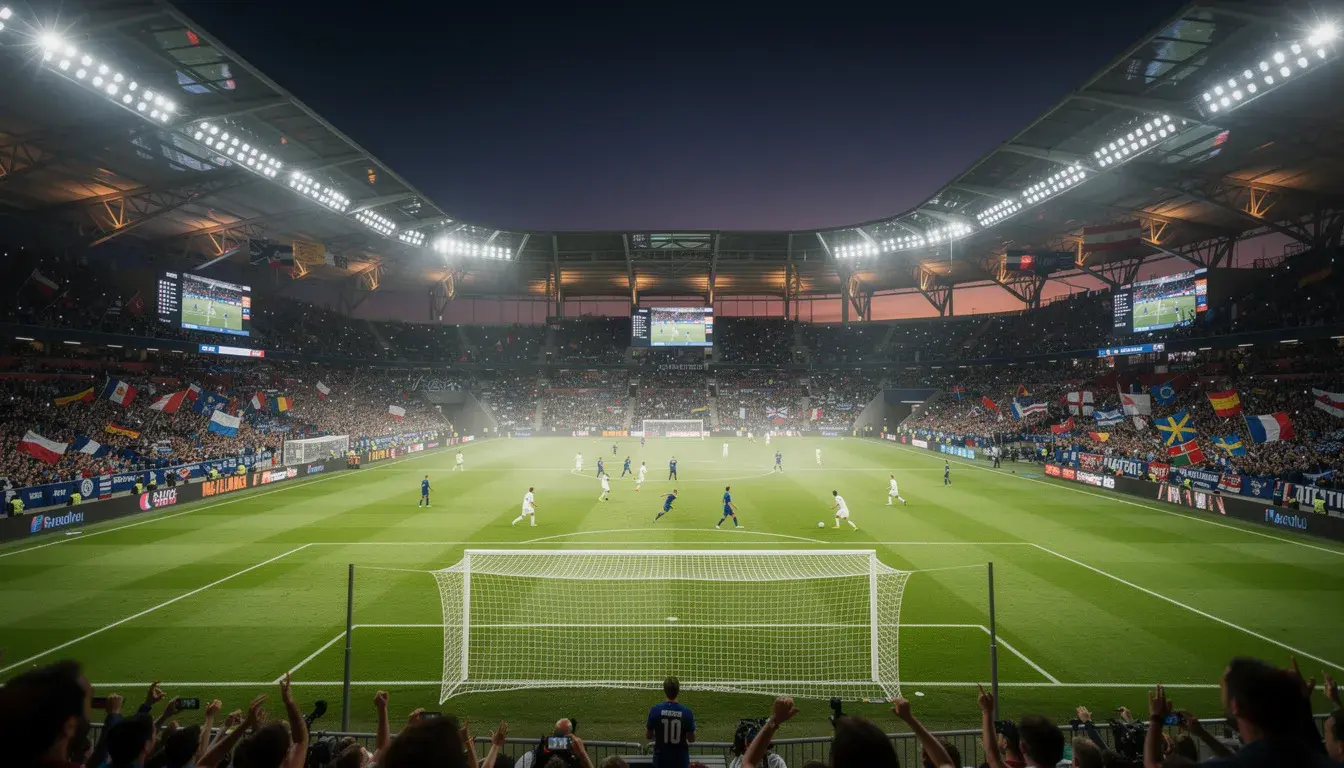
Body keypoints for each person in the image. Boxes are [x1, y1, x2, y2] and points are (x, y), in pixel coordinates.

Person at [646, 676, 695, 768]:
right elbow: (691, 739)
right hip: (680, 761)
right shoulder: (687, 712)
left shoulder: (655, 710)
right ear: (678, 690)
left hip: (661, 760)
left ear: (664, 690)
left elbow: (648, 736)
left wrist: (661, 734)